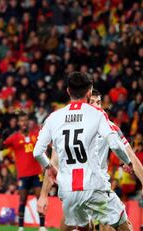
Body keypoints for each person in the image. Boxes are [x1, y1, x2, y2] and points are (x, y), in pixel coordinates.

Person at [33, 72, 137, 231]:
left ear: (68, 91)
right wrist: (128, 162)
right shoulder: (97, 114)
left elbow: (37, 152)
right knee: (124, 225)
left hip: (68, 190)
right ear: (89, 91)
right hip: (94, 187)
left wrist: (49, 167)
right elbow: (115, 145)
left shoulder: (53, 117)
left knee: (84, 227)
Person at [1, 112, 47, 231]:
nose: (24, 123)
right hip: (23, 175)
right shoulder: (14, 137)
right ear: (18, 123)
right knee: (22, 200)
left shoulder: (35, 135)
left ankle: (42, 226)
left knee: (39, 199)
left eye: (25, 120)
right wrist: (3, 139)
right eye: (21, 121)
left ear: (28, 122)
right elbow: (1, 148)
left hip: (36, 173)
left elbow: (45, 146)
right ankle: (21, 227)